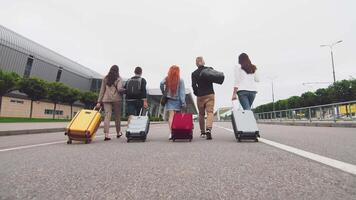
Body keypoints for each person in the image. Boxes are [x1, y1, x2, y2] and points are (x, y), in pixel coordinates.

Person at [96, 65, 125, 141]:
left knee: (107, 116)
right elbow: (119, 89)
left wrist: (99, 101)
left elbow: (102, 90)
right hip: (117, 99)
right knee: (117, 117)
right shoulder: (119, 79)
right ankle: (118, 133)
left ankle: (106, 134)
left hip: (106, 99)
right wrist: (124, 90)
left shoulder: (105, 78)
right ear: (117, 71)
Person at [191, 56, 215, 140]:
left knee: (201, 114)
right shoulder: (209, 69)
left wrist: (197, 93)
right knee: (210, 112)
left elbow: (193, 85)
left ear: (196, 63)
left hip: (200, 96)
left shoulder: (194, 73)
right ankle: (208, 129)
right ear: (202, 62)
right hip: (210, 94)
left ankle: (202, 132)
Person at [160, 65, 186, 139]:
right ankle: (178, 132)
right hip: (177, 100)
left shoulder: (167, 78)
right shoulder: (180, 80)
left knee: (171, 117)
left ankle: (172, 133)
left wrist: (164, 92)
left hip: (169, 100)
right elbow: (182, 92)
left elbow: (161, 84)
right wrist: (183, 102)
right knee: (177, 117)